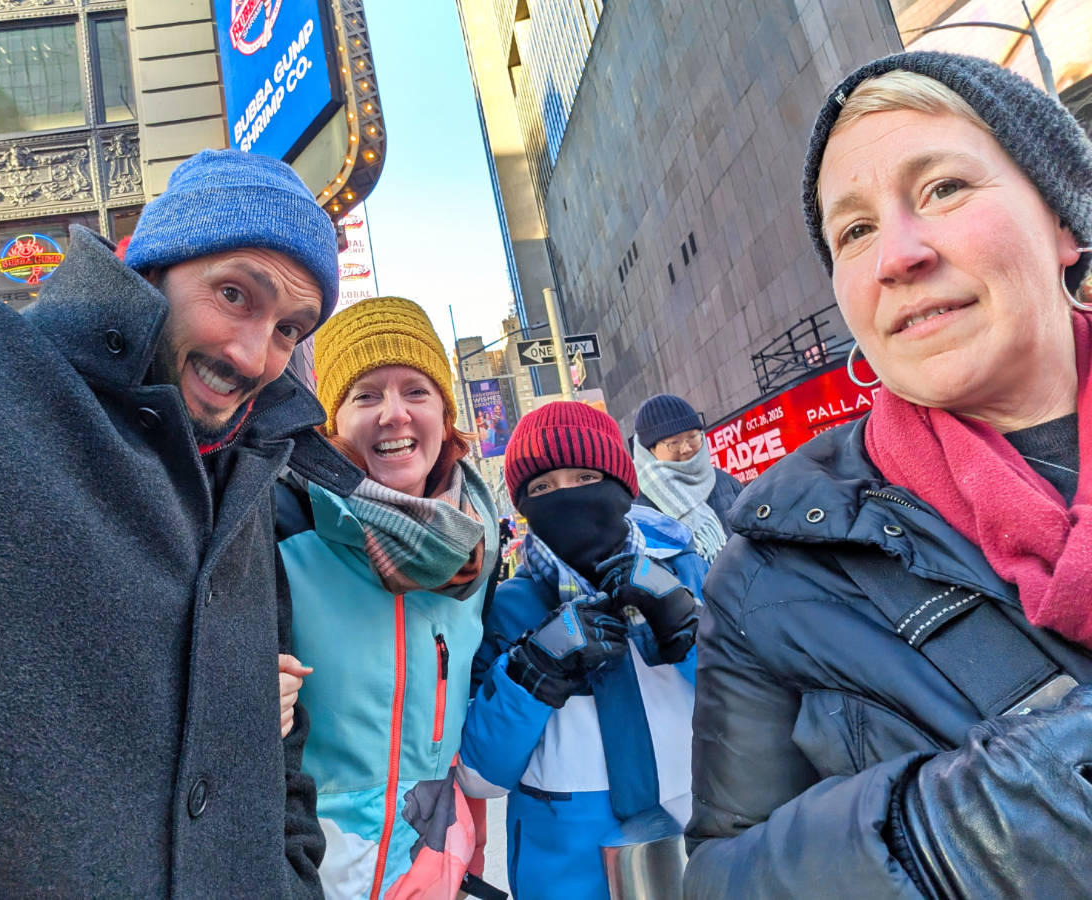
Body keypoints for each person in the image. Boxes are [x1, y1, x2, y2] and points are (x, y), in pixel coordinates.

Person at [0, 149, 358, 895]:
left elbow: (281, 766)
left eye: (288, 330)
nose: (255, 355)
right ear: (152, 269)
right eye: (235, 294)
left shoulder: (245, 481)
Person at [684, 51, 1092, 898]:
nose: (895, 257)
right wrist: (945, 839)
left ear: (1063, 219)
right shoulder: (768, 576)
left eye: (943, 188)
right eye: (855, 232)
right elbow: (720, 875)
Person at [275, 297, 501, 899]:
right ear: (332, 421)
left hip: (428, 870)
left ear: (445, 415)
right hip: (306, 871)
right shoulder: (280, 526)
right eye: (366, 395)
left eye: (416, 392)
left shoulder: (478, 548)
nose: (394, 414)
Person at [458, 401, 708, 899]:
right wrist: (531, 674)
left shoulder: (684, 571)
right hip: (564, 875)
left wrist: (689, 628)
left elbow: (755, 704)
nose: (565, 496)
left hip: (700, 847)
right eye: (542, 488)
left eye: (585, 477)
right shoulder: (508, 608)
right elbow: (479, 777)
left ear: (620, 485)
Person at [632, 393, 742, 561]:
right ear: (649, 449)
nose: (686, 448)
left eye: (693, 437)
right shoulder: (636, 503)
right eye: (674, 443)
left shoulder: (727, 483)